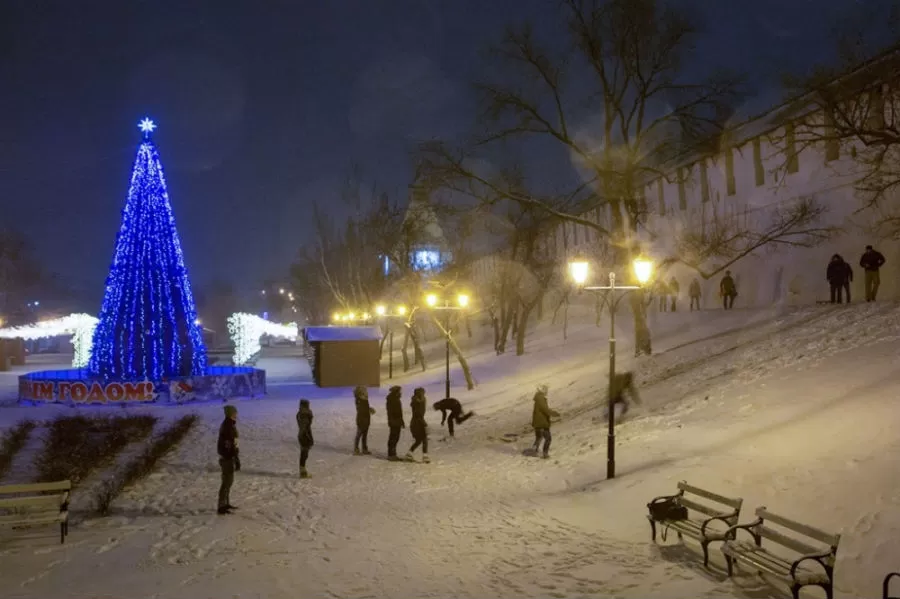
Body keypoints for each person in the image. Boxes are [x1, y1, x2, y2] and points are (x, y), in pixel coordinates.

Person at [217, 405, 241, 514]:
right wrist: (233, 456)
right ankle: (221, 506)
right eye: (235, 412)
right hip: (227, 457)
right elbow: (228, 443)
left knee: (229, 481)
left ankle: (225, 503)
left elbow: (233, 442)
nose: (236, 413)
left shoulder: (230, 424)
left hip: (229, 456)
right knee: (226, 481)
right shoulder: (227, 426)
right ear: (230, 413)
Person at [531, 384, 559, 459]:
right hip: (541, 423)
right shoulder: (540, 398)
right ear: (542, 390)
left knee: (539, 437)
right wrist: (554, 413)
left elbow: (544, 409)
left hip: (538, 423)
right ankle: (545, 454)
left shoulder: (538, 398)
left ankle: (534, 451)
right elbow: (545, 409)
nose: (547, 391)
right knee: (548, 438)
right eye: (546, 389)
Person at [406, 387, 430, 463]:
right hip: (418, 423)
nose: (424, 394)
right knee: (424, 439)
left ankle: (409, 454)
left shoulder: (417, 401)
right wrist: (425, 424)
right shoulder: (418, 402)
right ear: (420, 394)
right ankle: (425, 456)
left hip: (415, 423)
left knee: (419, 440)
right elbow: (418, 415)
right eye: (423, 393)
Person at [353, 386, 376, 455]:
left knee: (364, 436)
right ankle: (356, 449)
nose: (366, 392)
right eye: (365, 391)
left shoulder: (365, 399)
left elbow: (365, 408)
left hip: (366, 420)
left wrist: (370, 409)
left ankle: (364, 449)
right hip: (361, 420)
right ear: (361, 392)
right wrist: (368, 410)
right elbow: (361, 410)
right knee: (359, 435)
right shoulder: (359, 400)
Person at [385, 385, 405, 461]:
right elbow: (392, 411)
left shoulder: (396, 399)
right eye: (399, 391)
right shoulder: (392, 399)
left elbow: (399, 412)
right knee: (393, 438)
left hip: (397, 421)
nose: (401, 393)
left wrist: (401, 421)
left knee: (396, 438)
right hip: (394, 421)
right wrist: (393, 420)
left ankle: (393, 454)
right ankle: (391, 455)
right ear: (396, 392)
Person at [296, 399, 314, 478]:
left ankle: (303, 470)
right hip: (304, 436)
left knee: (304, 453)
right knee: (304, 454)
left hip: (303, 435)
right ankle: (302, 472)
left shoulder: (301, 414)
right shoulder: (305, 414)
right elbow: (304, 427)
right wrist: (308, 437)